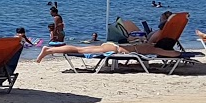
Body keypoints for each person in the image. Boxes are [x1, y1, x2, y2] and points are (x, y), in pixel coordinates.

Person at [36, 36, 183, 63]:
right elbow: (173, 53)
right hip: (114, 49)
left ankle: (49, 50)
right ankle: (48, 50)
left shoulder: (150, 44)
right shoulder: (153, 49)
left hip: (113, 46)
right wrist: (181, 54)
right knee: (79, 50)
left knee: (80, 49)